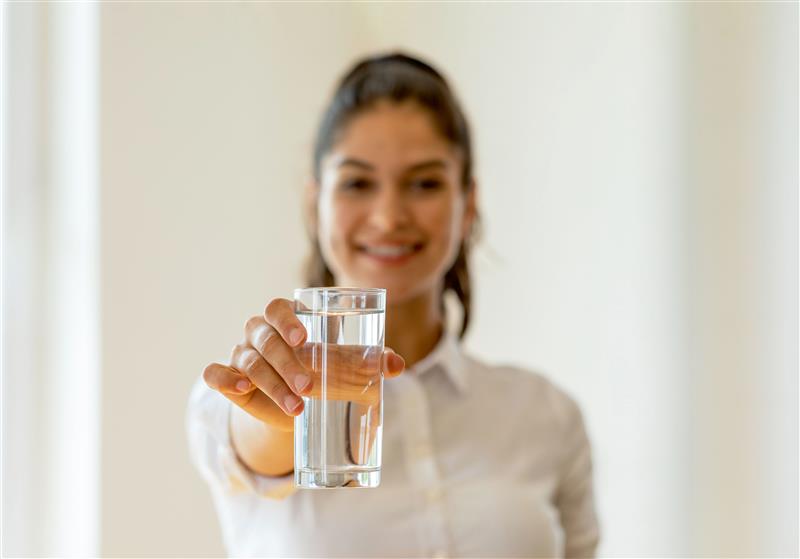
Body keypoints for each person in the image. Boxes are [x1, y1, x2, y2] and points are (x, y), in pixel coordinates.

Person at [186, 52, 600, 558]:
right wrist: (287, 407)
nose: (388, 217)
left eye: (424, 183)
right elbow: (258, 440)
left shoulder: (546, 416)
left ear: (467, 204)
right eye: (358, 183)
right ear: (314, 204)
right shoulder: (241, 392)